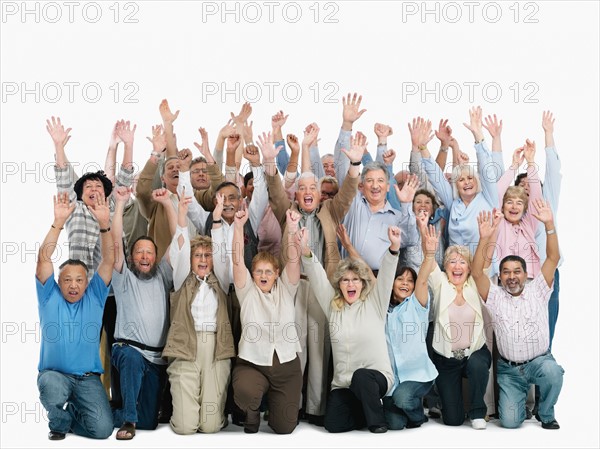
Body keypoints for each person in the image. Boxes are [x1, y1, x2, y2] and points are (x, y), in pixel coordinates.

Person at [301, 224, 402, 434]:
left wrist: (393, 248)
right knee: (333, 425)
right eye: (345, 281)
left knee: (362, 377)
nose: (350, 284)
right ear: (339, 285)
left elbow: (385, 278)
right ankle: (366, 410)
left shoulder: (375, 304)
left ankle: (378, 423)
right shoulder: (333, 307)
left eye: (355, 280)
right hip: (344, 384)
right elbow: (318, 278)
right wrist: (305, 251)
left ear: (362, 284)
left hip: (375, 379)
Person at [472, 203, 563, 430]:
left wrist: (549, 224)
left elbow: (552, 258)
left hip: (539, 362)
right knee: (510, 422)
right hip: (509, 371)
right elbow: (476, 273)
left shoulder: (538, 289)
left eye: (516, 271)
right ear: (500, 277)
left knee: (553, 373)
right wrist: (484, 237)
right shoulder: (494, 296)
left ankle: (545, 412)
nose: (511, 276)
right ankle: (519, 403)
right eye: (506, 272)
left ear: (525, 274)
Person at [36, 192, 114, 441]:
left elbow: (109, 260)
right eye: (67, 279)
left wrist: (104, 225)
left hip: (86, 379)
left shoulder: (95, 296)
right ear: (58, 283)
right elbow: (44, 258)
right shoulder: (49, 296)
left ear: (86, 283)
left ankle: (70, 418)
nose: (73, 285)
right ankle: (59, 422)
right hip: (55, 375)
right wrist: (58, 223)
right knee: (50, 386)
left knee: (102, 431)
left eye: (79, 280)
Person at [162, 191, 235, 434]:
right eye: (198, 255)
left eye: (207, 255)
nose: (203, 259)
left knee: (211, 426)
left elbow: (224, 255)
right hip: (185, 345)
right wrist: (182, 214)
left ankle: (216, 413)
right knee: (185, 427)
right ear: (191, 260)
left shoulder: (221, 280)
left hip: (216, 348)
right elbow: (180, 248)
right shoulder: (182, 278)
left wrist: (215, 220)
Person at [225, 209, 303, 434]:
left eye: (269, 271)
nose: (263, 275)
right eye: (258, 271)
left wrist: (292, 228)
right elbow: (237, 260)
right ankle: (251, 416)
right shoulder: (247, 291)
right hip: (253, 363)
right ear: (253, 274)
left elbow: (293, 260)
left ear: (276, 273)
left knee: (285, 428)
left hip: (286, 366)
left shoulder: (287, 289)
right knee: (247, 392)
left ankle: (276, 414)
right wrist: (238, 227)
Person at [108, 186, 175, 440]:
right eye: (139, 252)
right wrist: (120, 203)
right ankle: (127, 420)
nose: (145, 256)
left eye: (149, 252)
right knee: (132, 358)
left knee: (148, 422)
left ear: (156, 257)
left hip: (156, 359)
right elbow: (116, 243)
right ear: (131, 257)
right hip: (128, 350)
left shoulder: (163, 275)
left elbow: (176, 238)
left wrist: (168, 204)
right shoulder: (123, 277)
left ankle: (105, 414)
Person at [427, 239, 492, 429]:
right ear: (445, 266)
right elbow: (429, 259)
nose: (457, 266)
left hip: (475, 353)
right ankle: (448, 404)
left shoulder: (474, 283)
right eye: (452, 261)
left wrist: (485, 236)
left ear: (469, 268)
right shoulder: (440, 284)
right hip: (447, 359)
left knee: (478, 364)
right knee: (453, 420)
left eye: (462, 262)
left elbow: (484, 262)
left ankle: (478, 411)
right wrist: (424, 233)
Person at [383, 222, 439, 430]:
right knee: (394, 425)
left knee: (403, 398)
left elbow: (423, 280)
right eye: (400, 279)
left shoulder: (416, 306)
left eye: (409, 280)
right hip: (393, 381)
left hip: (418, 375)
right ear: (392, 282)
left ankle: (418, 416)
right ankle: (404, 412)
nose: (405, 283)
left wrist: (430, 254)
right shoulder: (383, 310)